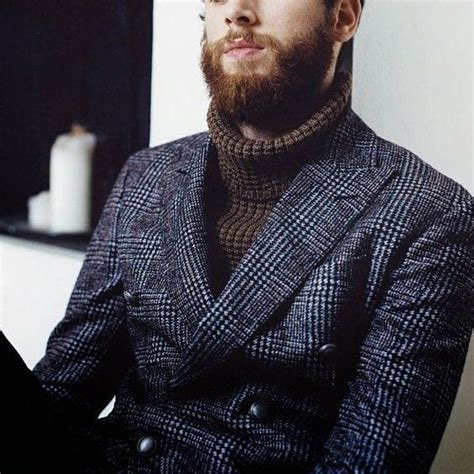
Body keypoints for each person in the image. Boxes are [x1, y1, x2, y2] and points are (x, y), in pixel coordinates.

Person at [3, 0, 472, 472]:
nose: (237, 12)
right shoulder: (146, 176)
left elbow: (371, 461)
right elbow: (60, 397)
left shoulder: (430, 213)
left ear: (343, 17)